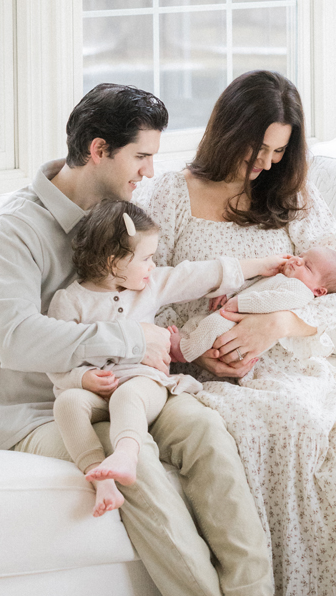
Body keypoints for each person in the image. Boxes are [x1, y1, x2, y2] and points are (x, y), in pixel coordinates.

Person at [0, 83, 330, 596]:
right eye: (141, 157)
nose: (152, 171)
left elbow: (174, 279)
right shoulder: (14, 231)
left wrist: (250, 282)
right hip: (48, 407)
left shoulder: (126, 222)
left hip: (130, 387)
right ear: (98, 149)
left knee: (209, 433)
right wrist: (128, 341)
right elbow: (15, 339)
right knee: (141, 472)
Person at [143, 70, 336, 596]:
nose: (264, 163)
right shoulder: (172, 195)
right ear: (225, 132)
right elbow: (138, 291)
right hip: (203, 362)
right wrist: (194, 347)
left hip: (285, 358)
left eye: (279, 151)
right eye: (256, 149)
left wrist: (274, 325)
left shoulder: (295, 197)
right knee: (272, 424)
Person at [46, 196, 296, 515]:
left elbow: (200, 274)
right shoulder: (70, 302)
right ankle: (101, 478)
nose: (154, 265)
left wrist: (262, 266)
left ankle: (125, 453)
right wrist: (81, 378)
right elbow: (56, 360)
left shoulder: (150, 286)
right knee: (66, 404)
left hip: (144, 383)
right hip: (95, 394)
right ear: (113, 263)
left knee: (129, 394)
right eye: (147, 258)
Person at [172, 246, 336, 365]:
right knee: (199, 323)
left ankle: (182, 353)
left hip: (238, 325)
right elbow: (251, 286)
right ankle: (181, 340)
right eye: (301, 256)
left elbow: (269, 300)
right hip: (230, 316)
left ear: (319, 291)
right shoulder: (280, 277)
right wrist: (227, 290)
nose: (297, 260)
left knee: (211, 326)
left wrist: (239, 302)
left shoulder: (301, 291)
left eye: (307, 266)